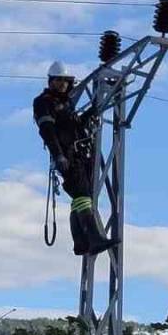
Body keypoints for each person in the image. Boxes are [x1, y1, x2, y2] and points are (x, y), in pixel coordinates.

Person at [33, 61, 117, 256]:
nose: (62, 84)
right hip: (66, 154)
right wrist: (59, 155)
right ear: (51, 81)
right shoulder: (43, 102)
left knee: (82, 195)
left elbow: (75, 124)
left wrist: (90, 113)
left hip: (79, 152)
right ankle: (95, 238)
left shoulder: (67, 103)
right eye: (58, 80)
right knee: (82, 195)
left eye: (65, 81)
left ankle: (80, 242)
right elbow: (48, 131)